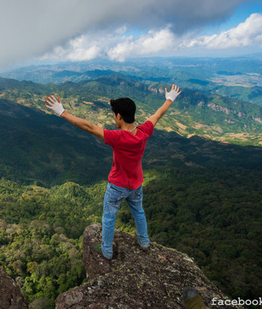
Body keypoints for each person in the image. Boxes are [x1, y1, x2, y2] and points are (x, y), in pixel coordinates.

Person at [45, 84, 181, 259]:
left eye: (114, 115)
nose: (114, 118)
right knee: (139, 211)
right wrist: (170, 98)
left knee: (109, 218)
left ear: (119, 116)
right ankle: (144, 241)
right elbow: (158, 114)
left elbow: (89, 127)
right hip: (136, 184)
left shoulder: (118, 137)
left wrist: (62, 112)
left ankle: (107, 251)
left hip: (117, 186)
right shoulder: (143, 131)